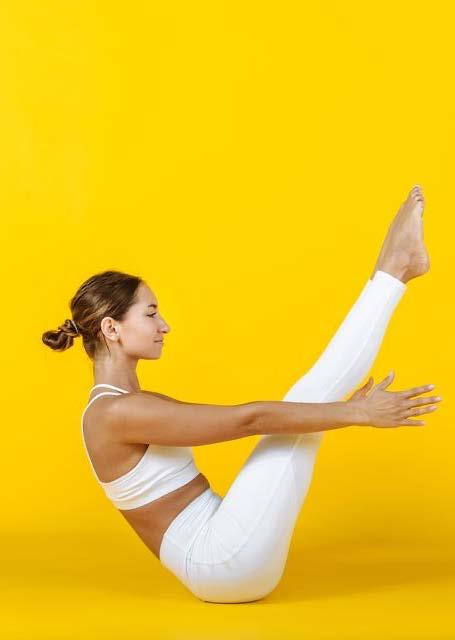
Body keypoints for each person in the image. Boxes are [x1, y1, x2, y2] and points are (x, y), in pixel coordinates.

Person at [42, 184, 441, 603]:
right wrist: (359, 414)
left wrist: (341, 411)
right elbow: (249, 420)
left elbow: (255, 418)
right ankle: (393, 269)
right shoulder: (116, 412)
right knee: (303, 403)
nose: (164, 326)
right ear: (111, 328)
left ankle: (393, 270)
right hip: (220, 562)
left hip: (225, 555)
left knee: (303, 409)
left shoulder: (130, 404)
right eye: (151, 313)